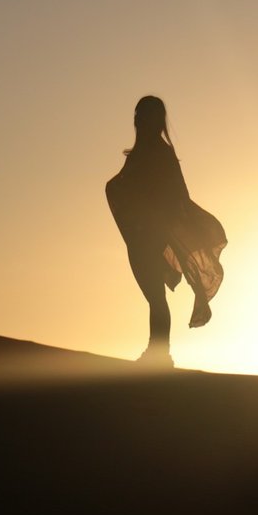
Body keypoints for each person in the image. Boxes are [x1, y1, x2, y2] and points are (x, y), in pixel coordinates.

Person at [105, 95, 226, 368]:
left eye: (143, 114)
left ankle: (159, 356)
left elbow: (177, 197)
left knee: (156, 297)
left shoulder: (161, 154)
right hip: (138, 236)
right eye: (136, 113)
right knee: (154, 296)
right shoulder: (139, 154)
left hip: (152, 235)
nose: (138, 119)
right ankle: (157, 354)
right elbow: (126, 187)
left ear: (155, 119)